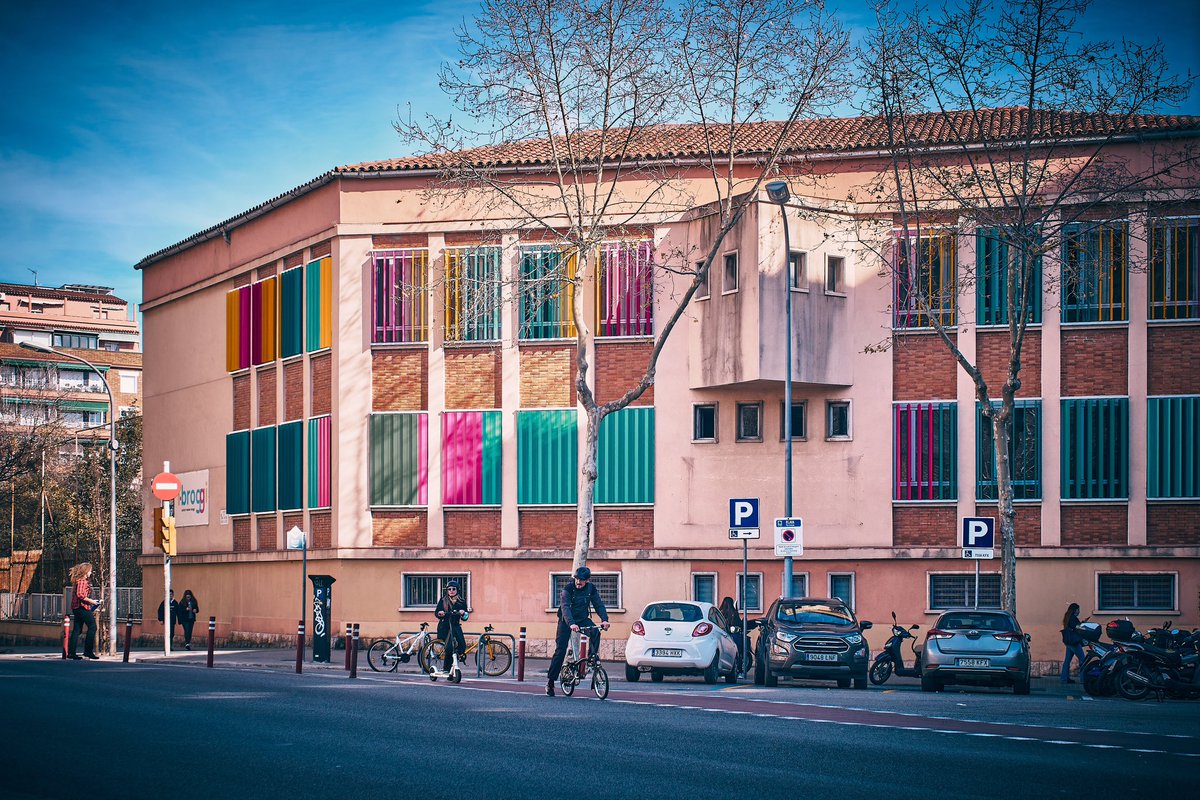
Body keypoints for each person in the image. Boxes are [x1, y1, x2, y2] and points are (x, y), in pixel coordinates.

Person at [546, 566, 610, 696]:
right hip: (566, 621)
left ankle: (592, 658)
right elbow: (565, 607)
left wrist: (604, 620)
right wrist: (571, 623)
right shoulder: (568, 589)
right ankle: (550, 682)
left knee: (595, 632)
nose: (578, 582)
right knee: (560, 651)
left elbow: (598, 604)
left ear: (587, 580)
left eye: (581, 580)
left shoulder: (591, 588)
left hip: (582, 618)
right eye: (577, 579)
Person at [434, 581, 471, 675]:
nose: (451, 591)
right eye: (449, 589)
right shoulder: (443, 600)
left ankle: (454, 663)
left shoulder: (461, 601)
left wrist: (464, 613)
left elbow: (465, 617)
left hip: (455, 626)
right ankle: (447, 668)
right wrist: (440, 613)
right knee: (450, 648)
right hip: (445, 626)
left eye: (453, 589)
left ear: (457, 590)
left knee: (462, 646)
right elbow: (437, 612)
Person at [68, 562, 101, 660]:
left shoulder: (78, 581)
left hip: (76, 608)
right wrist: (92, 602)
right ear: (86, 571)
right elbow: (81, 595)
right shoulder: (82, 581)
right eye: (90, 571)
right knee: (93, 627)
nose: (91, 573)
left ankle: (71, 652)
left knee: (77, 630)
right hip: (82, 608)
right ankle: (88, 651)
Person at [1060, 602, 1087, 684]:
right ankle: (1083, 679)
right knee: (1083, 660)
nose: (1079, 611)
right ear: (1075, 610)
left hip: (1069, 641)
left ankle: (1064, 678)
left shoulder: (1068, 617)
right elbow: (1076, 627)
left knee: (1067, 660)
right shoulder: (1073, 618)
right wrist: (1083, 623)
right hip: (1074, 642)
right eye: (1078, 610)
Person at [719, 596, 745, 670]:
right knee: (738, 653)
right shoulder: (734, 613)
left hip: (724, 636)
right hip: (735, 636)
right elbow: (739, 623)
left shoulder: (720, 613)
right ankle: (739, 670)